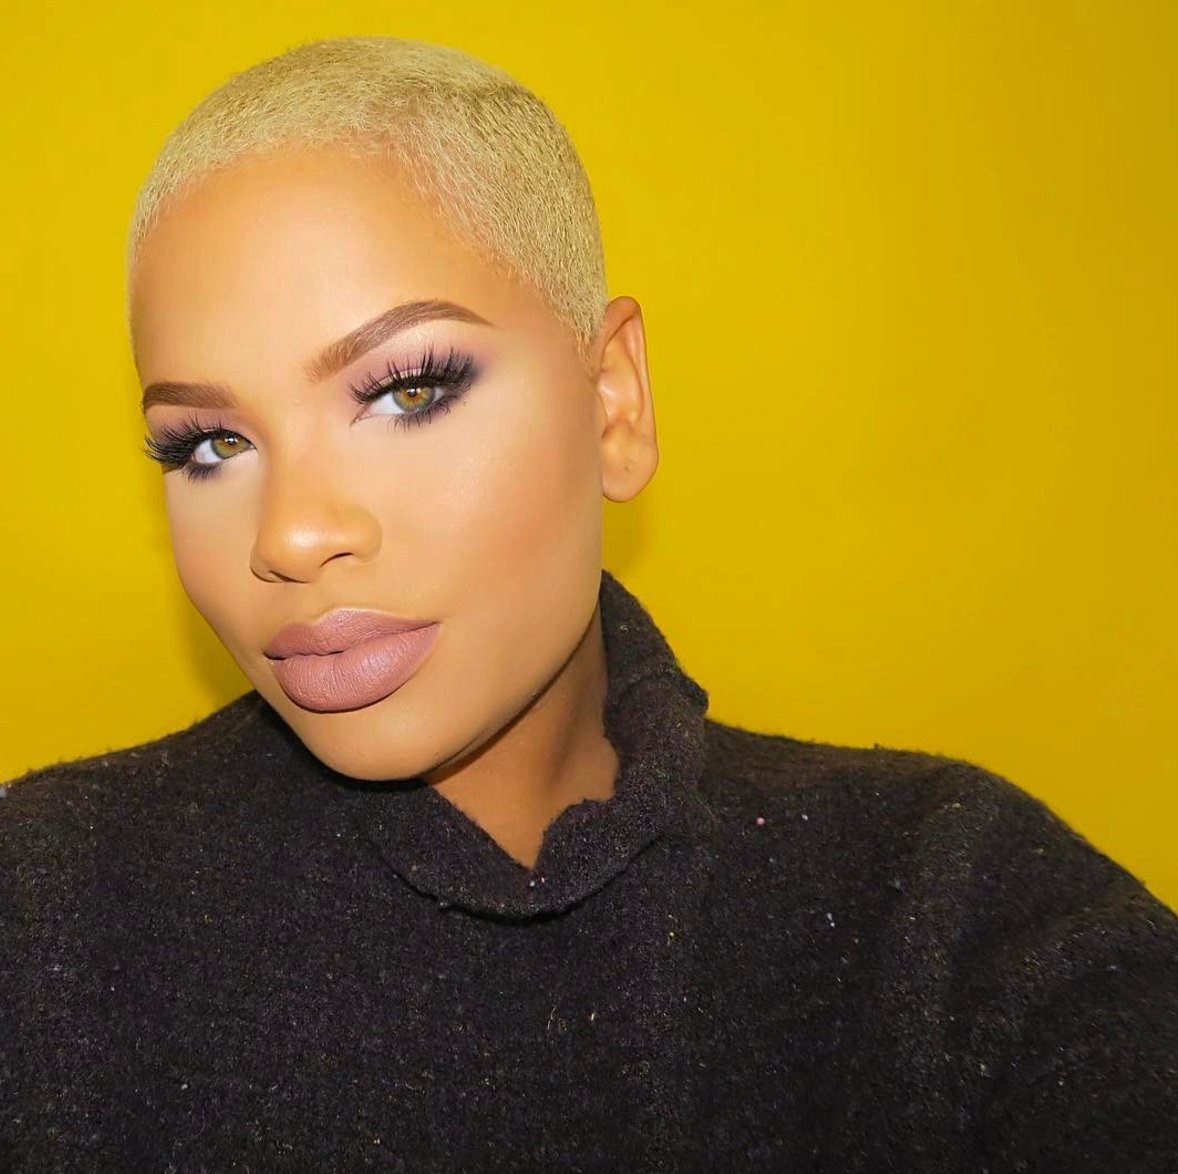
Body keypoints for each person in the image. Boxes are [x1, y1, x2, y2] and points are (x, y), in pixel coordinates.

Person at [2, 34, 1176, 1173]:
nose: (292, 535)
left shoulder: (943, 910)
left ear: (612, 401)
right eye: (209, 444)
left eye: (406, 390)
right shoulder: (45, 906)